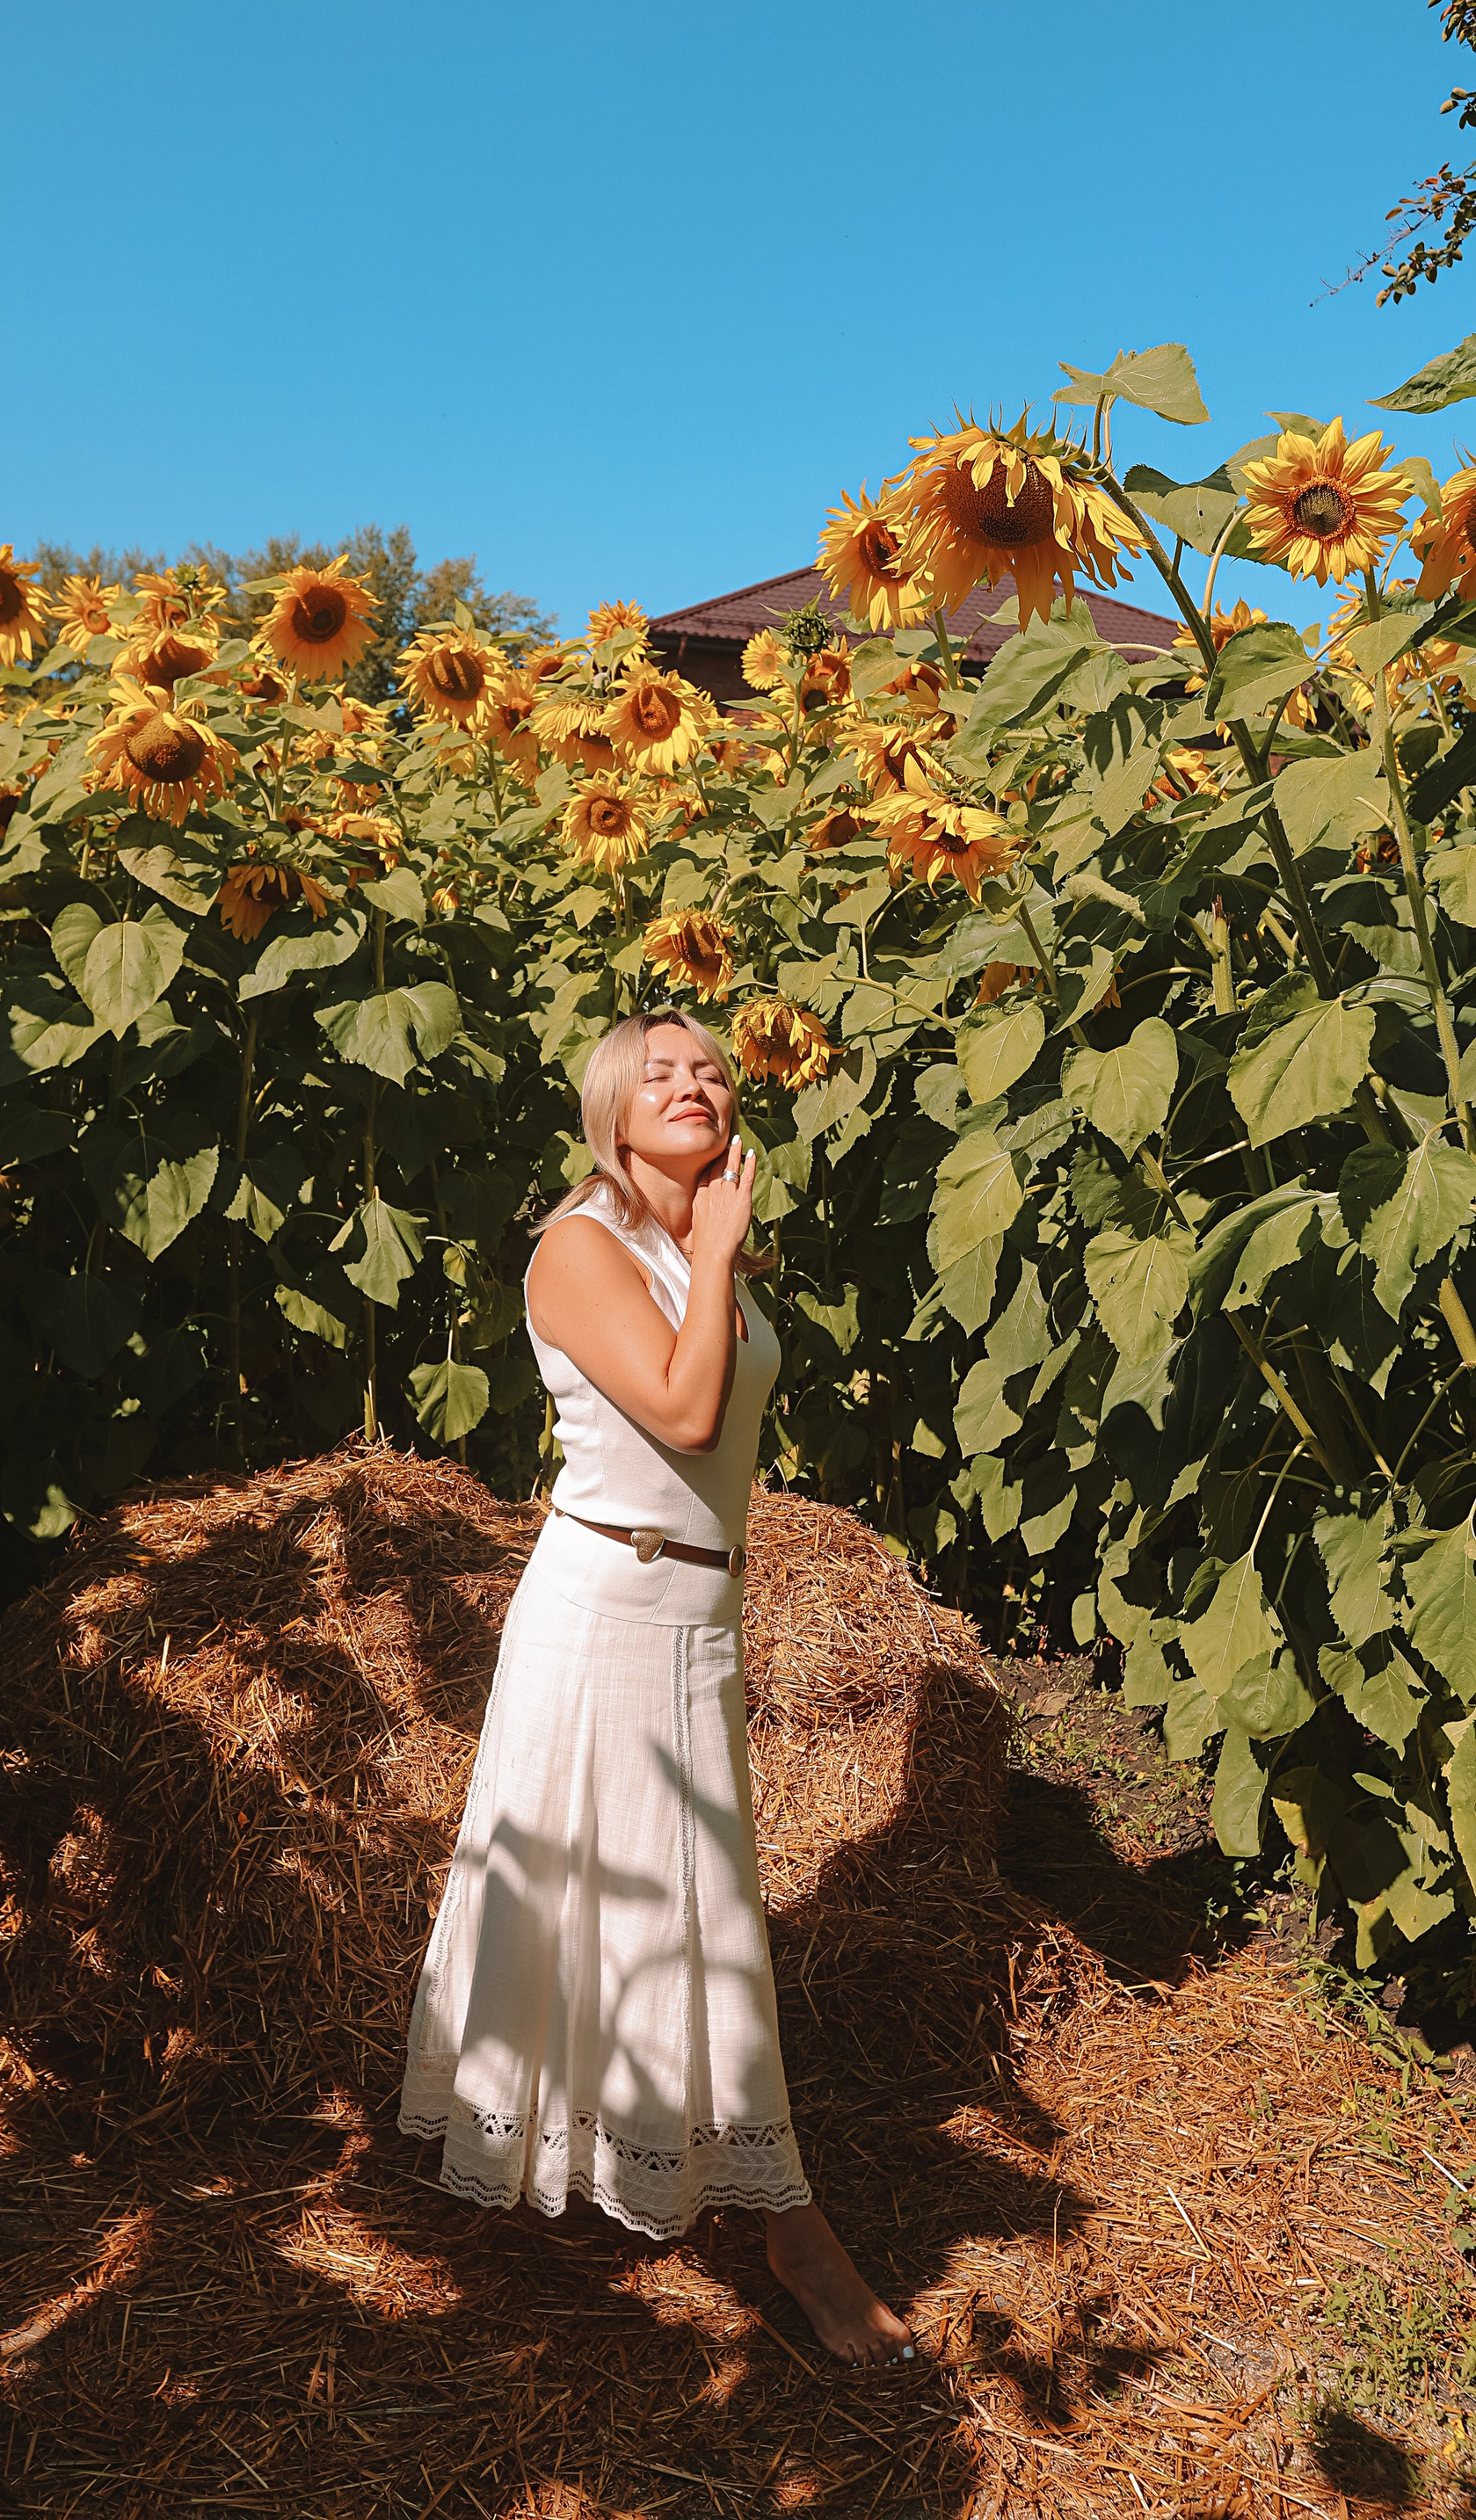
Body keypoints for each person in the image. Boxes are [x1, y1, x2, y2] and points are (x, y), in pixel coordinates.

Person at [399, 1008, 913, 2368]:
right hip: (609, 1612)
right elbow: (686, 1417)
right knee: (692, 1909)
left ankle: (641, 2160)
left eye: (712, 1071)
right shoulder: (583, 1248)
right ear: (612, 1115)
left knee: (656, 1902)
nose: (695, 1085)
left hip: (698, 1610)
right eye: (660, 1073)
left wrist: (715, 1249)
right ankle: (797, 2236)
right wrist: (722, 1249)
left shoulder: (693, 1242)